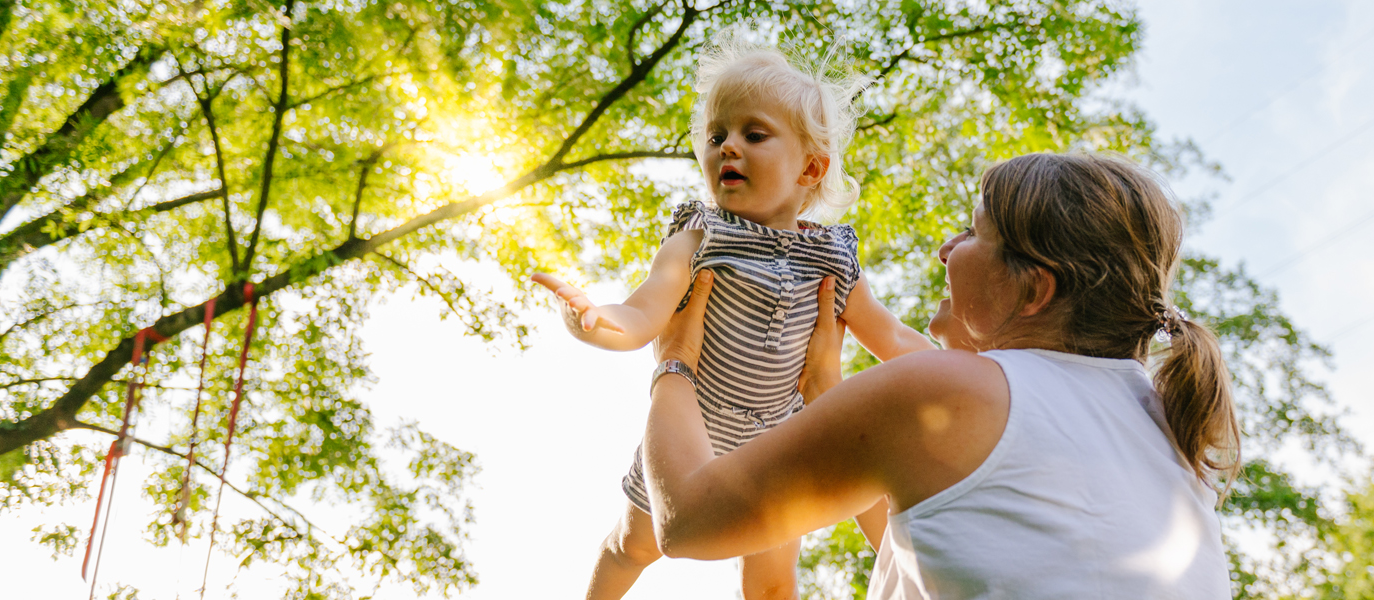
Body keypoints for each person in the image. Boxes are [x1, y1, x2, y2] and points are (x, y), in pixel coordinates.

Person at [642, 153, 1238, 598]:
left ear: (1034, 289)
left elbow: (687, 522)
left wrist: (674, 359)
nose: (946, 250)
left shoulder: (951, 389)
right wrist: (827, 392)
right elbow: (947, 552)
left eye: (974, 233)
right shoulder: (1168, 434)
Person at [529, 32, 935, 600]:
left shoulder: (834, 256)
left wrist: (968, 367)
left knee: (770, 579)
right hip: (687, 429)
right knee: (633, 545)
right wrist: (596, 320)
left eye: (754, 133)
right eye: (717, 134)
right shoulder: (701, 234)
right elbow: (646, 309)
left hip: (781, 440)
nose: (727, 147)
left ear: (811, 168)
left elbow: (889, 336)